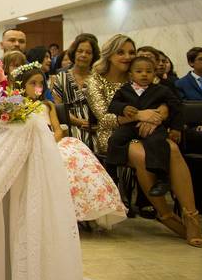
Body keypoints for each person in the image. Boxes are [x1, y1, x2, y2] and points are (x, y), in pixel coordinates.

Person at [87, 34, 202, 247]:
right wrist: (140, 115)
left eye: (131, 52)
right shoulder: (95, 79)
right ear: (109, 55)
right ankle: (165, 214)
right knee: (141, 155)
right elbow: (104, 117)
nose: (127, 56)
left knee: (172, 149)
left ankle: (191, 216)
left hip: (151, 132)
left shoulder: (144, 74)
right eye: (121, 52)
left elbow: (165, 100)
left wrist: (159, 114)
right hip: (115, 136)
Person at [12, 63, 125, 230]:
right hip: (30, 144)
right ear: (21, 84)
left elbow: (58, 130)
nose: (38, 87)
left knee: (74, 158)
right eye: (32, 83)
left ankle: (86, 206)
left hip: (51, 141)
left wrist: (51, 141)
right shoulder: (16, 106)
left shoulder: (47, 105)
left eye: (41, 83)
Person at [107, 56, 183, 197]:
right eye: (139, 71)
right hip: (130, 125)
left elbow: (176, 107)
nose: (144, 74)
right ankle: (112, 172)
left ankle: (161, 178)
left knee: (158, 142)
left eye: (148, 71)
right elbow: (113, 105)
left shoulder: (162, 90)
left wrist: (176, 128)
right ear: (131, 74)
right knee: (115, 139)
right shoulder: (124, 90)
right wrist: (123, 108)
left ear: (154, 74)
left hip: (153, 127)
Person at [52, 33, 99, 147]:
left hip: (96, 127)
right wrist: (80, 122)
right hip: (70, 126)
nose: (83, 55)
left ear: (94, 56)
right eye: (80, 51)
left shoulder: (98, 79)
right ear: (74, 53)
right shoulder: (60, 78)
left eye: (88, 52)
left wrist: (97, 125)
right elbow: (59, 108)